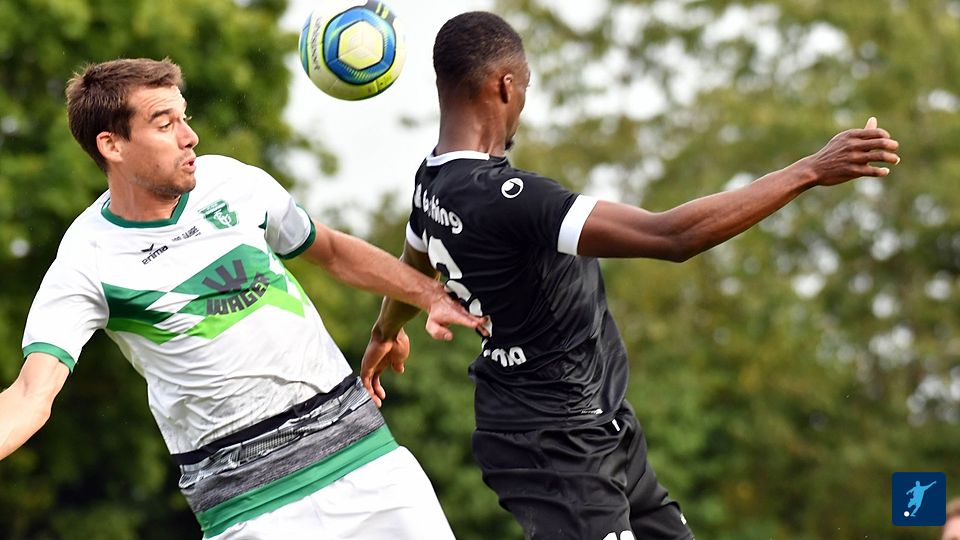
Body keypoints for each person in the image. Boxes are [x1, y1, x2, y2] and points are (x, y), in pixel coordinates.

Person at [359, 11, 901, 540]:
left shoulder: (431, 183)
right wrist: (811, 169)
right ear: (505, 86)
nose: (523, 102)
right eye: (524, 87)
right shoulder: (510, 198)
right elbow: (672, 237)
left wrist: (386, 330)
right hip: (555, 443)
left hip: (600, 426)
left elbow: (414, 260)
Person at [0, 57, 489, 540]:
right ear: (112, 145)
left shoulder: (233, 183)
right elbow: (29, 396)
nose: (189, 136)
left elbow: (333, 251)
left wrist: (428, 295)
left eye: (185, 117)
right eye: (165, 125)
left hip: (369, 467)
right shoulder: (86, 258)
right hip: (250, 512)